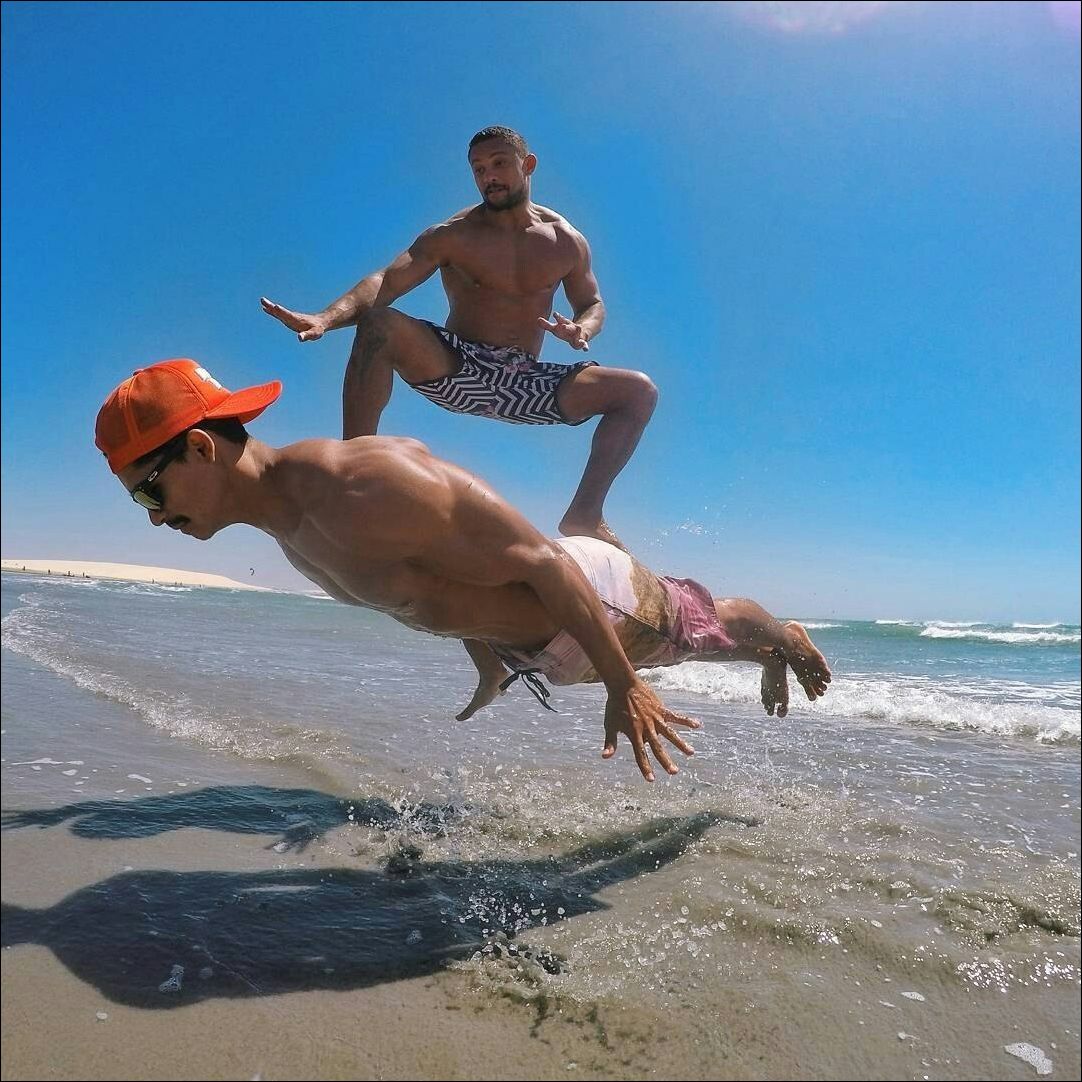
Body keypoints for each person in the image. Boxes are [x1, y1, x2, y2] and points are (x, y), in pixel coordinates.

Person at [95, 360, 831, 783]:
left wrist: (623, 684)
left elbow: (543, 562)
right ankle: (761, 650)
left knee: (705, 627)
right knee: (695, 642)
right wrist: (491, 664)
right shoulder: (288, 527)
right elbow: (431, 585)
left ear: (200, 449)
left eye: (148, 493)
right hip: (538, 646)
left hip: (590, 602)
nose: (154, 518)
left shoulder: (364, 486)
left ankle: (784, 638)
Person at [260, 125, 658, 549]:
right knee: (379, 324)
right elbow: (385, 282)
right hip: (457, 366)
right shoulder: (454, 235)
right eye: (478, 169)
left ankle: (585, 514)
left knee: (638, 392)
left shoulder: (565, 241)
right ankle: (355, 473)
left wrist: (582, 328)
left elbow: (592, 303)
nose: (489, 176)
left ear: (528, 165)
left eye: (499, 163)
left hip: (524, 381)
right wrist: (326, 318)